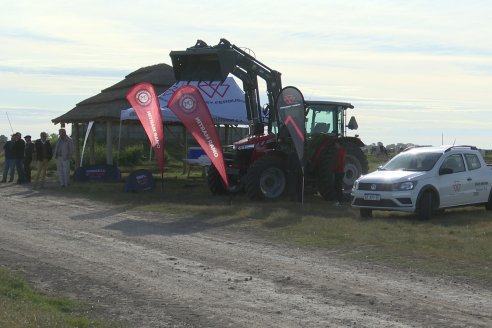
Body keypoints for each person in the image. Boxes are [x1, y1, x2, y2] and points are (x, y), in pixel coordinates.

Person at [333, 140, 346, 206]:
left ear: (338, 144)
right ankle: (340, 201)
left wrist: (334, 169)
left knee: (338, 186)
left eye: (336, 143)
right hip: (340, 171)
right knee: (338, 186)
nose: (335, 145)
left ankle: (340, 201)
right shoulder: (342, 151)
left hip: (339, 171)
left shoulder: (340, 152)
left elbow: (339, 162)